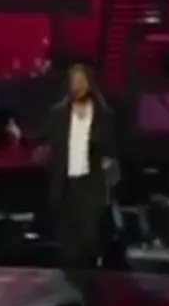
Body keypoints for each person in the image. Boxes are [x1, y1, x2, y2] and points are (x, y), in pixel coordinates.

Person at [33, 63, 118, 282]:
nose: (77, 85)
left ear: (90, 84)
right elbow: (46, 141)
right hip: (65, 183)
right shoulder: (58, 113)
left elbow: (111, 149)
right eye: (74, 81)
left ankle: (91, 279)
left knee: (89, 236)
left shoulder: (103, 115)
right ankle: (73, 283)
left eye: (81, 80)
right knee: (69, 242)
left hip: (91, 183)